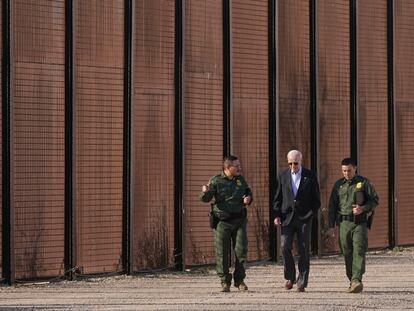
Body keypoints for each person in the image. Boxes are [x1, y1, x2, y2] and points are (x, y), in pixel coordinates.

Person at [200, 155, 253, 292]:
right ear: (228, 168)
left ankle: (239, 280)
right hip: (222, 222)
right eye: (236, 166)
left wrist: (248, 198)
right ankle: (225, 282)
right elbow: (206, 198)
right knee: (222, 252)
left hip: (239, 220)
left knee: (241, 251)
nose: (239, 168)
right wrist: (205, 192)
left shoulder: (240, 180)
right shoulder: (216, 180)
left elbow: (248, 192)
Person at [328, 157, 378, 293]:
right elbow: (332, 206)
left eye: (349, 170)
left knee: (359, 249)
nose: (346, 173)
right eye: (343, 171)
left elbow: (374, 201)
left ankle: (357, 279)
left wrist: (363, 208)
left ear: (355, 168)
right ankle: (352, 280)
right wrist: (331, 226)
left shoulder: (364, 183)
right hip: (344, 223)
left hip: (359, 223)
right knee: (347, 252)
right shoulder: (338, 185)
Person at [272, 150, 320, 292]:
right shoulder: (282, 176)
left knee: (304, 249)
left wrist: (311, 214)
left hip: (304, 218)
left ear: (301, 161)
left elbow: (316, 199)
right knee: (285, 246)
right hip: (287, 217)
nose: (293, 166)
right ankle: (290, 277)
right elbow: (277, 197)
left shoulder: (310, 176)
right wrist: (276, 215)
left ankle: (302, 281)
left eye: (295, 163)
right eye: (290, 163)